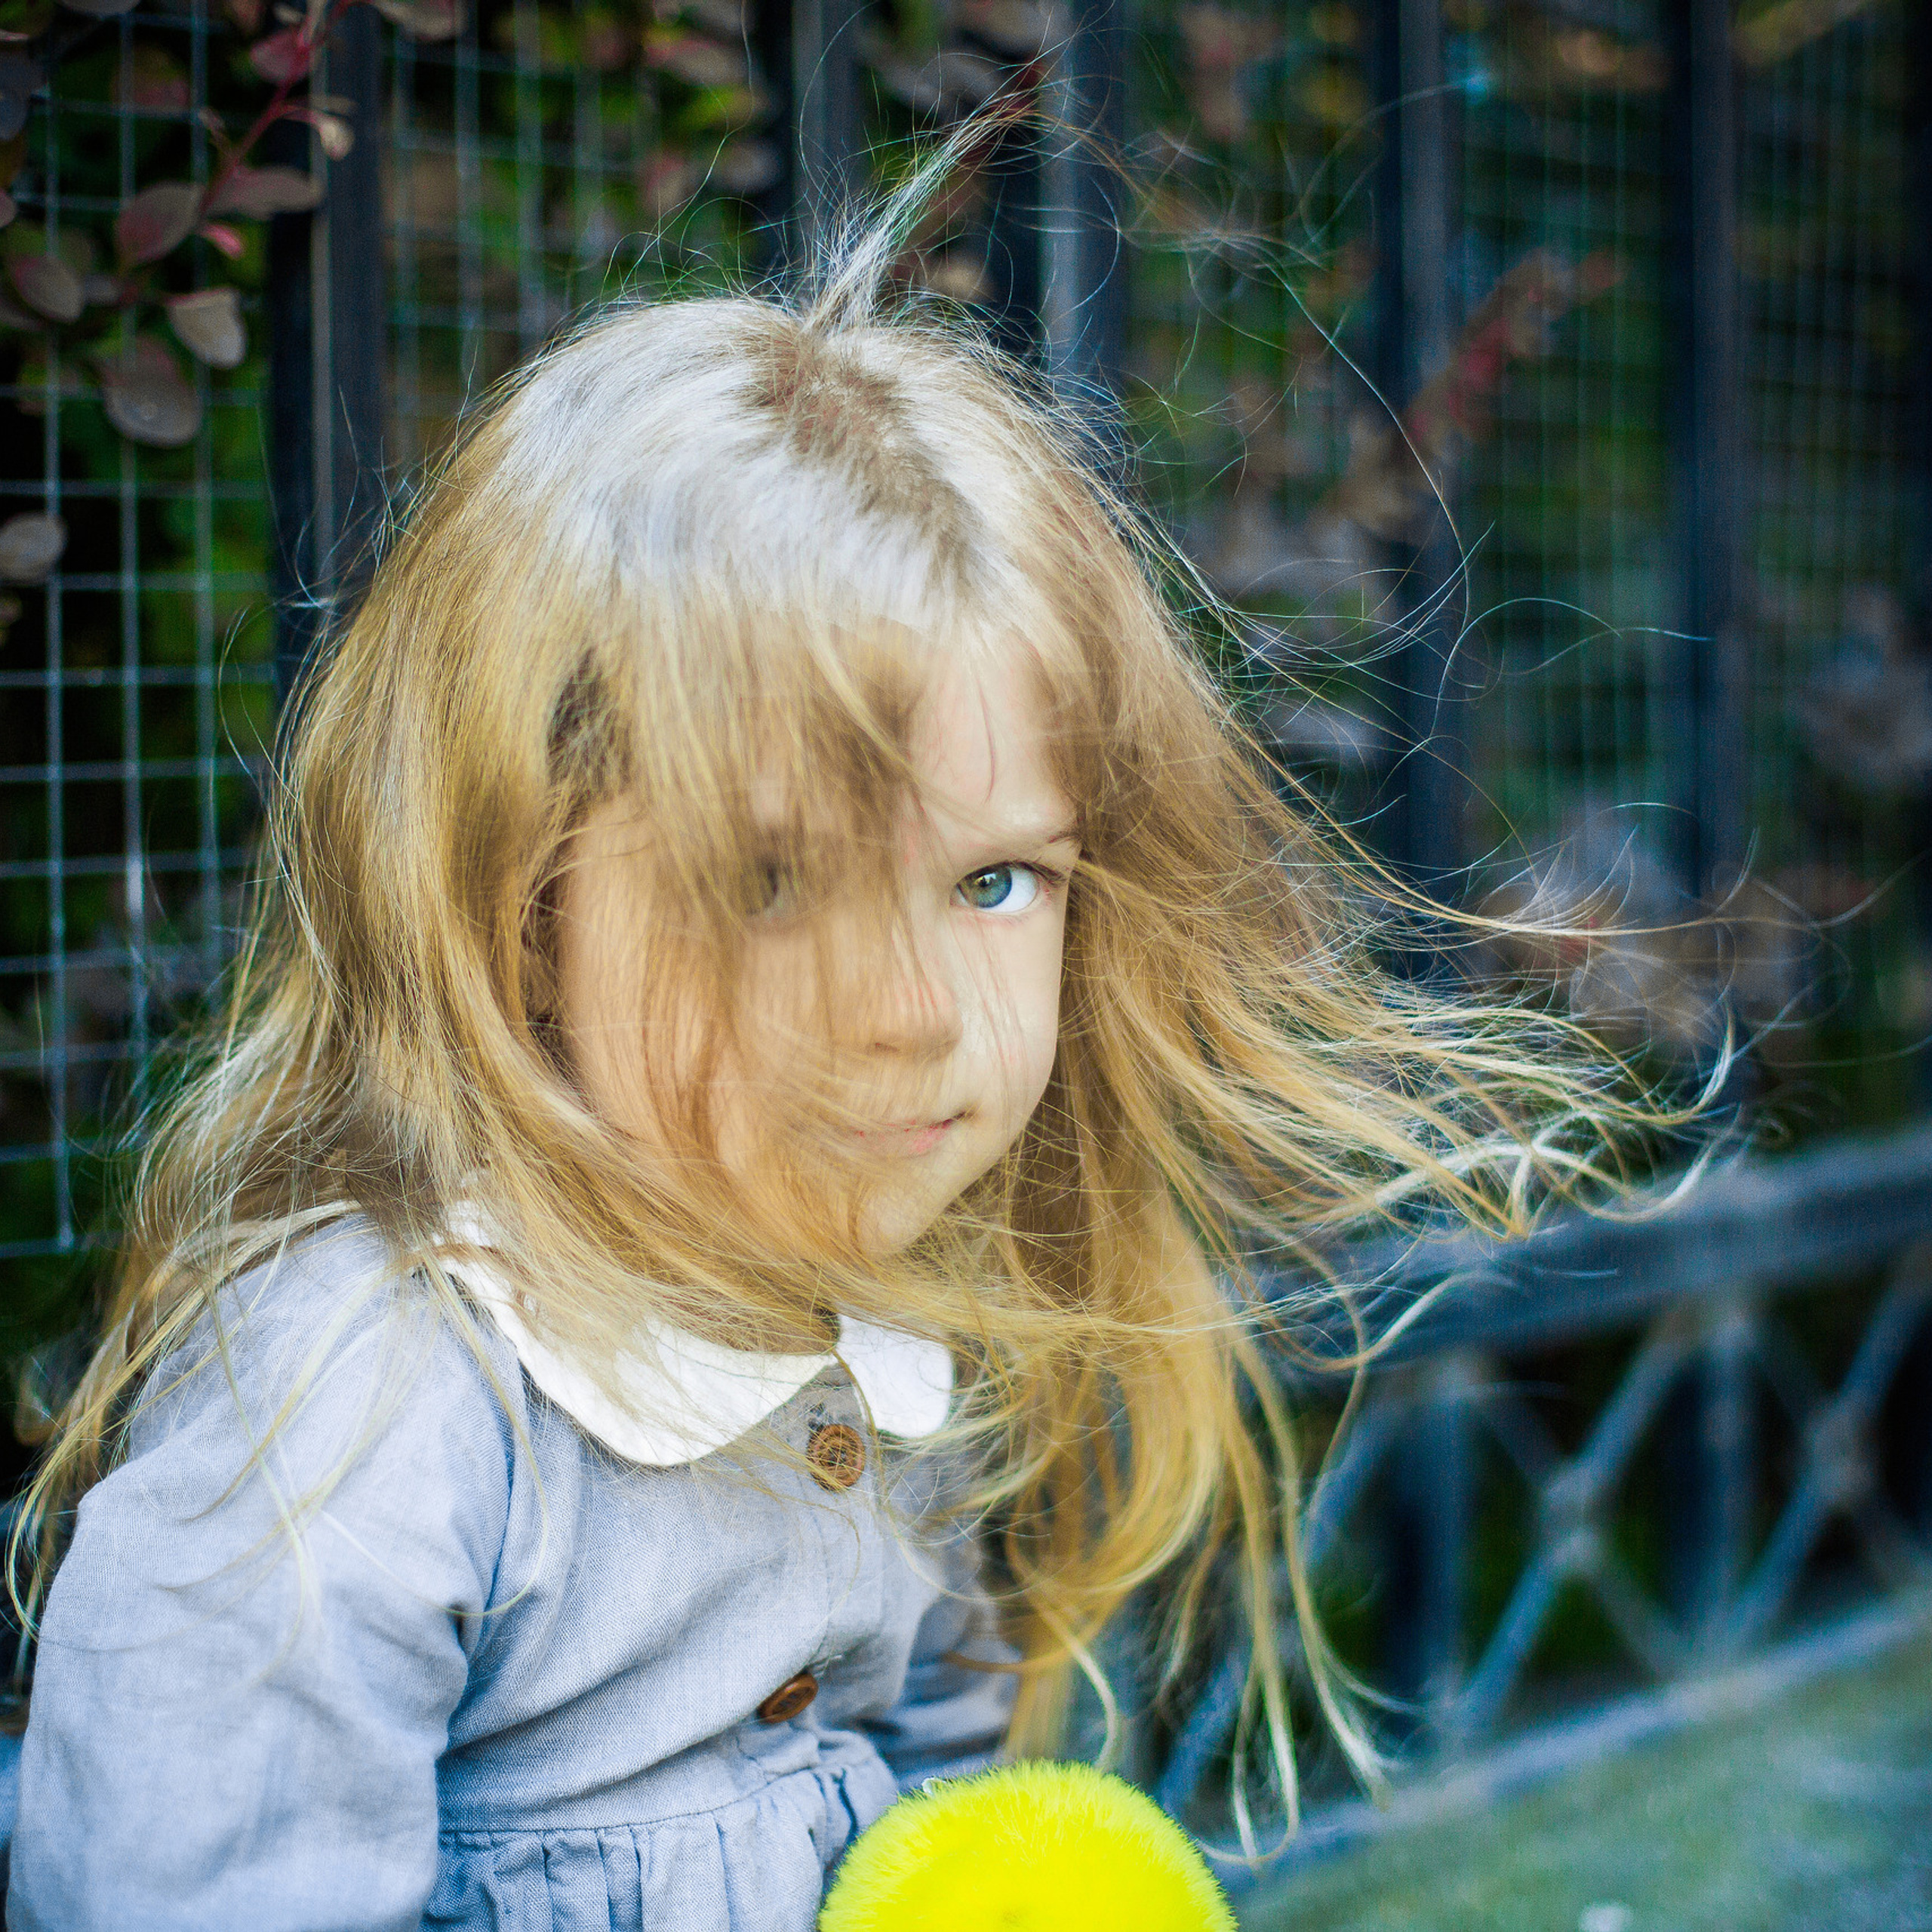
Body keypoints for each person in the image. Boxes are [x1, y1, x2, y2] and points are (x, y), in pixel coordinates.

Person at [2, 158, 1647, 1930]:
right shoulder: (364, 1394)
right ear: (514, 896)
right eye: (772, 881)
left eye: (995, 877)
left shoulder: (883, 1321)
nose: (913, 1007)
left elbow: (929, 1809)